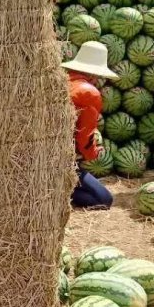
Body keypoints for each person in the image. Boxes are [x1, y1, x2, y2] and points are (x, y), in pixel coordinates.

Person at [62, 41, 117, 209]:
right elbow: (84, 135)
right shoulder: (89, 93)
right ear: (95, 74)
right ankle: (60, 193)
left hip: (48, 156)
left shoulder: (61, 82)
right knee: (104, 199)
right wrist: (93, 153)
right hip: (64, 161)